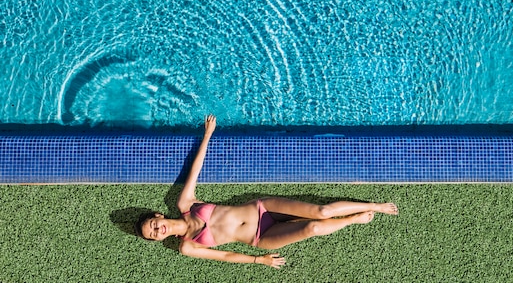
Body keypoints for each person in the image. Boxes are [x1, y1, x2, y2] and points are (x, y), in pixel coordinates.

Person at [135, 115, 399, 269]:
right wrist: (258, 261)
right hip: (260, 236)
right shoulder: (188, 247)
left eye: (153, 224)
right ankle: (352, 219)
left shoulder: (186, 203)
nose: (158, 230)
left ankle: (374, 205)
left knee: (322, 211)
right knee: (312, 228)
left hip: (262, 208)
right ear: (158, 240)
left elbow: (195, 170)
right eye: (154, 234)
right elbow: (225, 255)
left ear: (157, 215)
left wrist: (207, 135)